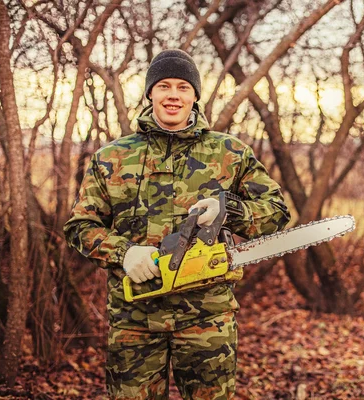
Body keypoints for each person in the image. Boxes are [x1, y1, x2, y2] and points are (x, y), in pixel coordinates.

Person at [64, 49, 290, 399]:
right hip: (134, 319)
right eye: (164, 86)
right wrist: (123, 253)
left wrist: (228, 209)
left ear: (195, 95)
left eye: (183, 87)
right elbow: (80, 225)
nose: (173, 95)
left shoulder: (229, 153)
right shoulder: (112, 157)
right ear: (150, 93)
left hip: (207, 318)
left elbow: (276, 210)